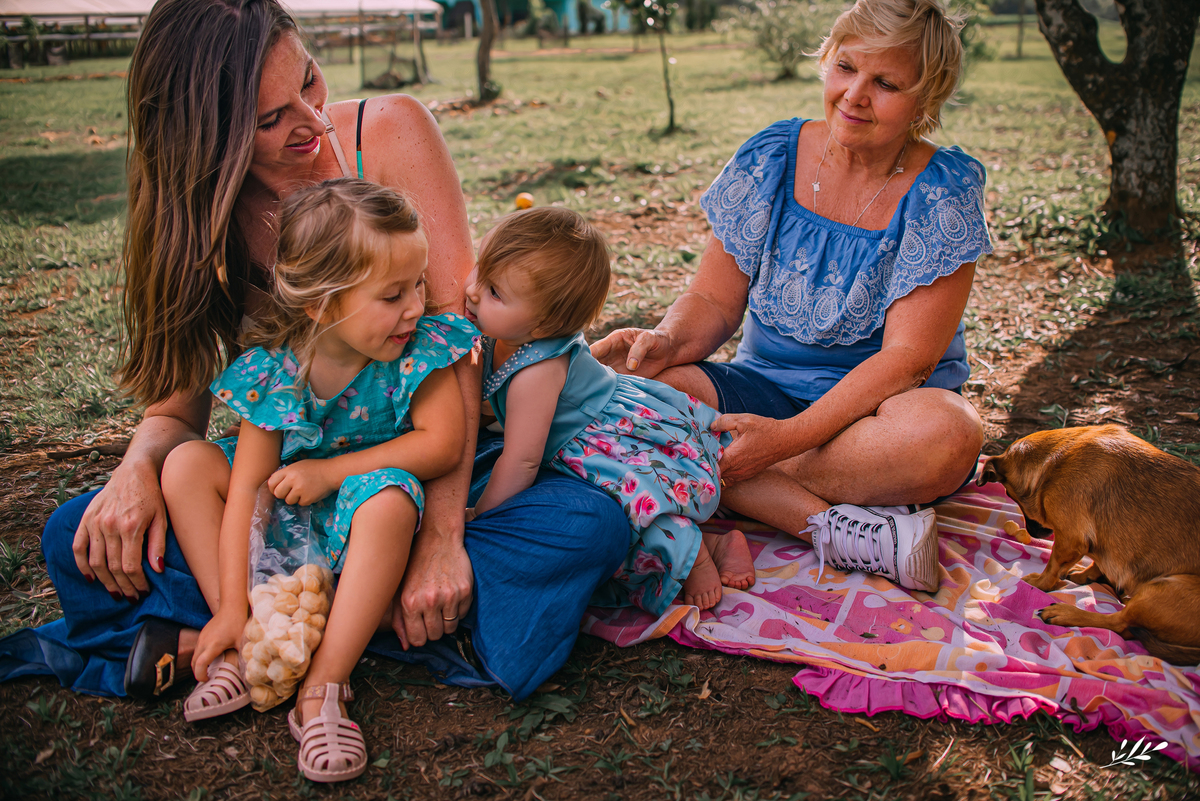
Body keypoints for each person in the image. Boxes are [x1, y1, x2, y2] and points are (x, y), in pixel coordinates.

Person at [0, 0, 628, 707]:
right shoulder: (202, 218)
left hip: (414, 472)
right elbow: (176, 410)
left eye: (311, 80)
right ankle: (345, 622)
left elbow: (459, 350)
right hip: (289, 495)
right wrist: (136, 469)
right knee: (75, 536)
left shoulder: (388, 133)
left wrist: (441, 538)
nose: (314, 120)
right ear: (206, 139)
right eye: (272, 119)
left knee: (589, 524)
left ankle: (256, 632)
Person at [592, 0, 989, 593]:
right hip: (765, 389)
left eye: (885, 83)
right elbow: (714, 300)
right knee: (644, 393)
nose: (854, 94)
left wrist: (782, 442)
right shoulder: (773, 156)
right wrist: (669, 338)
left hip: (882, 413)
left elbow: (912, 361)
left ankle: (725, 470)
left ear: (926, 99)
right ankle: (833, 528)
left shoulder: (940, 192)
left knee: (949, 435)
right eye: (846, 67)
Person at [160, 180, 475, 781]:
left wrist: (330, 471)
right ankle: (243, 634)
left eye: (419, 284)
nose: (414, 306)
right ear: (322, 305)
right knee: (186, 464)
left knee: (387, 500)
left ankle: (324, 684)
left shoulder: (421, 350)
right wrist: (230, 601)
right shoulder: (275, 371)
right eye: (392, 294)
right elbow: (251, 489)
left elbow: (441, 445)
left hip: (357, 509)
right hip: (284, 512)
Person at [465, 208, 756, 613]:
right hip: (592, 422)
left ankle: (695, 556)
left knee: (634, 506)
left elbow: (521, 460)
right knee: (634, 510)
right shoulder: (505, 333)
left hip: (599, 439)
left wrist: (482, 516)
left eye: (494, 291)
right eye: (480, 270)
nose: (473, 291)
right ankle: (714, 542)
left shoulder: (537, 372)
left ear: (543, 324)